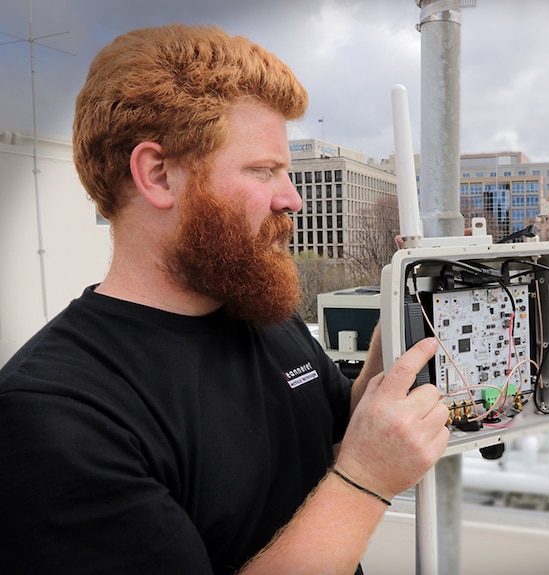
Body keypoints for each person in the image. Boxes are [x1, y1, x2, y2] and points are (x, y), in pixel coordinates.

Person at [0, 24, 449, 574]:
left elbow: (342, 438)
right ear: (159, 175)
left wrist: (401, 320)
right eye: (264, 171)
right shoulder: (55, 413)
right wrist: (368, 482)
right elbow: (357, 467)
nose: (294, 199)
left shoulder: (264, 317)